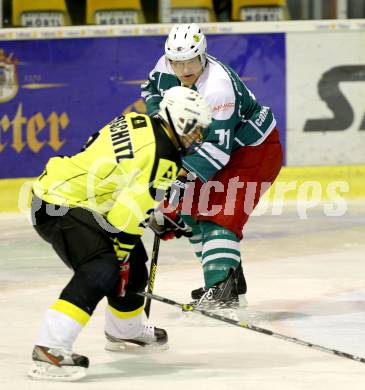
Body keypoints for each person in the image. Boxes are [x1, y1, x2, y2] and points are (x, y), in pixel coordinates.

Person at [28, 86, 212, 381]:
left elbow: (114, 165)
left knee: (134, 261)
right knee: (103, 267)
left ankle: (124, 330)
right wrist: (121, 250)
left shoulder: (139, 121)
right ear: (178, 120)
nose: (198, 137)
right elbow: (127, 215)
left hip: (68, 196)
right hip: (59, 204)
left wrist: (151, 219)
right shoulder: (166, 156)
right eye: (195, 128)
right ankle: (49, 349)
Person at [142, 23, 283, 309]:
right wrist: (163, 121)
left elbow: (217, 150)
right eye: (177, 62)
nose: (184, 70)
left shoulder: (217, 89)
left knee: (218, 212)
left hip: (253, 151)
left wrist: (176, 184)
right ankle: (226, 277)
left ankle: (222, 290)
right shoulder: (165, 67)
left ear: (203, 55)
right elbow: (151, 92)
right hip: (219, 149)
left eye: (191, 61)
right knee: (189, 211)